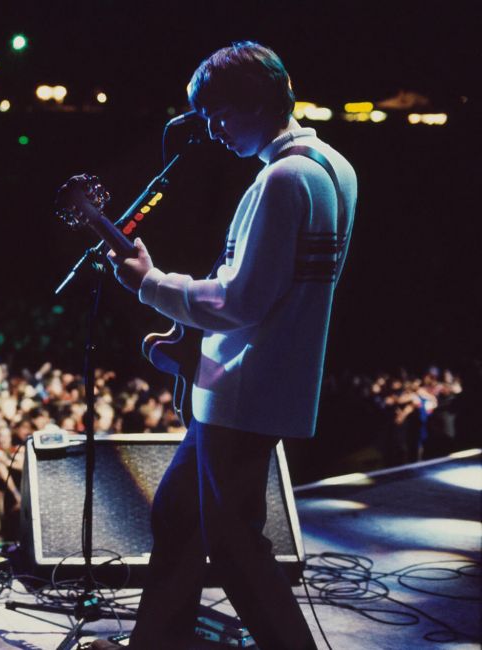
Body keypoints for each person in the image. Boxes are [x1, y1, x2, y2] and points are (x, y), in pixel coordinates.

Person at [100, 42, 357, 649]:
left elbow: (241, 301)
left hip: (242, 387)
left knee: (235, 544)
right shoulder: (334, 166)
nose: (212, 130)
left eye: (219, 113)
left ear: (256, 102)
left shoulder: (283, 179)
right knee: (178, 517)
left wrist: (149, 283)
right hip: (261, 381)